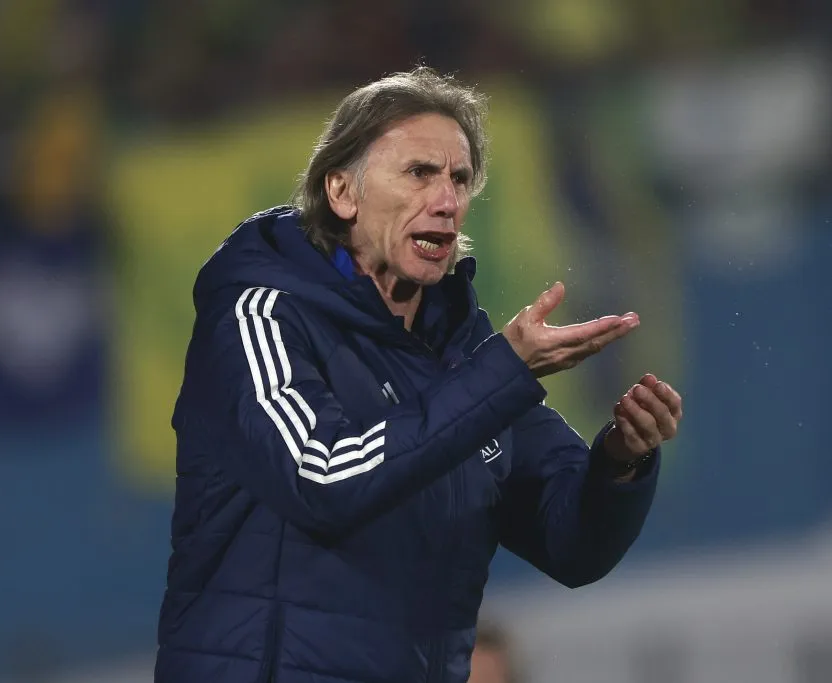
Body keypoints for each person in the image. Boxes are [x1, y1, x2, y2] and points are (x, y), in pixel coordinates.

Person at [154, 66, 682, 683]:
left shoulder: (463, 350)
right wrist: (502, 373)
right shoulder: (263, 314)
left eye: (460, 179)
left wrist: (620, 460)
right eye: (420, 174)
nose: (448, 200)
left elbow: (573, 546)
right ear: (343, 193)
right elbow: (321, 477)